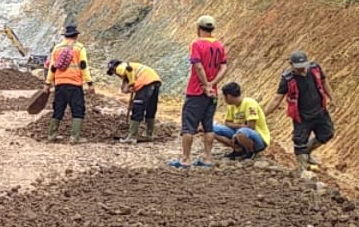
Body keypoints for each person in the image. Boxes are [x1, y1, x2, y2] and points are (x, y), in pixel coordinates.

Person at [168, 14, 227, 169]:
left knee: (188, 126)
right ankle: (207, 158)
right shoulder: (219, 45)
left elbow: (198, 66)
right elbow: (224, 67)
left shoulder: (197, 44)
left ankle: (186, 159)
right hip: (212, 92)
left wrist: (205, 84)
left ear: (198, 28)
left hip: (196, 91)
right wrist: (213, 84)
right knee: (208, 126)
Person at [265, 50, 337, 171]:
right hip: (302, 116)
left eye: (303, 66)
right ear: (291, 64)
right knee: (300, 142)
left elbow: (324, 82)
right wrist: (264, 114)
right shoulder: (287, 79)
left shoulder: (315, 69)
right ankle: (302, 169)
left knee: (327, 134)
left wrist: (332, 98)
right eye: (298, 68)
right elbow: (277, 99)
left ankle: (307, 152)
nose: (302, 70)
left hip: (320, 111)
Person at [40, 24, 94, 143]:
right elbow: (83, 66)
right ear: (76, 36)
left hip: (60, 83)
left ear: (65, 36)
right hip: (74, 83)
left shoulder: (57, 48)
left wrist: (47, 83)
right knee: (78, 109)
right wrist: (89, 83)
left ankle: (51, 135)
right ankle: (74, 137)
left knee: (58, 108)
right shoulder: (79, 48)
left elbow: (52, 67)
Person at [106, 60, 162, 143]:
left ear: (113, 67)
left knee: (138, 108)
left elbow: (128, 69)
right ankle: (149, 135)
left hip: (146, 82)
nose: (115, 74)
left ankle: (132, 136)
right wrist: (130, 87)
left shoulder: (120, 67)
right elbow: (127, 85)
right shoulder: (133, 71)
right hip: (155, 81)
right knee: (151, 108)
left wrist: (131, 83)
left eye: (113, 71)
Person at [212, 82, 270, 159]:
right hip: (240, 132)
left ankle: (251, 152)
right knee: (211, 129)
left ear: (228, 96)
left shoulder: (249, 103)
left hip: (258, 138)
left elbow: (251, 127)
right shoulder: (231, 106)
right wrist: (240, 126)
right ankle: (238, 150)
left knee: (241, 132)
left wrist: (237, 132)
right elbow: (227, 123)